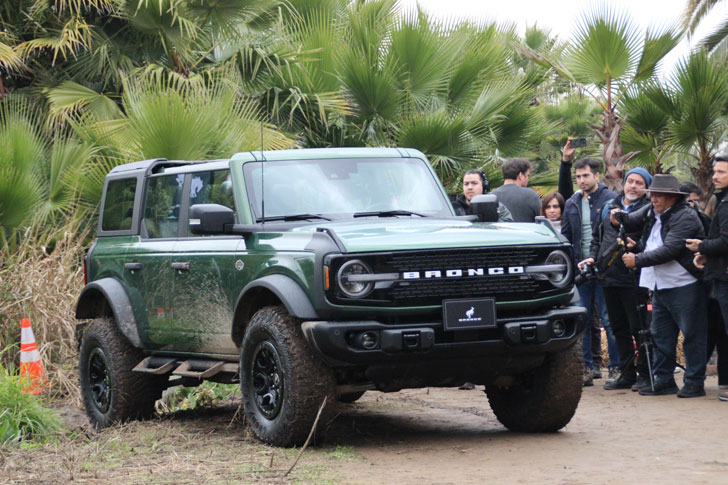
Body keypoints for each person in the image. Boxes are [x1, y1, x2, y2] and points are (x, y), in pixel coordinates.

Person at [617, 174, 708, 397]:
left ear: (671, 198)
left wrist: (637, 259)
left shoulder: (685, 217)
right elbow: (630, 222)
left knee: (692, 335)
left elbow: (670, 250)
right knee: (661, 335)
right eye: (652, 195)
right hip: (661, 284)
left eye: (658, 195)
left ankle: (695, 382)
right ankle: (664, 379)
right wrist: (618, 218)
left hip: (685, 284)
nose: (654, 199)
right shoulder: (652, 212)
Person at [580, 168, 653, 391]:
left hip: (633, 278)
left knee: (638, 328)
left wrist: (637, 248)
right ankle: (627, 372)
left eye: (639, 182)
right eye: (630, 181)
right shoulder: (609, 206)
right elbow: (596, 237)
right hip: (608, 277)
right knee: (617, 327)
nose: (633, 186)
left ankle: (645, 373)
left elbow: (651, 242)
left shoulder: (648, 210)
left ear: (646, 187)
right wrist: (593, 257)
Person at [560, 145, 619, 386]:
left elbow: (614, 238)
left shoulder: (611, 200)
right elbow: (564, 235)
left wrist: (601, 261)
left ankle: (616, 367)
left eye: (586, 175)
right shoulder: (572, 202)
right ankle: (586, 368)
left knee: (609, 320)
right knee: (581, 322)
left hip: (605, 271)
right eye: (578, 177)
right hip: (580, 272)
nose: (582, 180)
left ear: (597, 175)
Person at [687, 155, 728, 401]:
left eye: (721, 172)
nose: (715, 176)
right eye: (715, 171)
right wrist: (707, 255)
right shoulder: (721, 200)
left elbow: (725, 241)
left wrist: (702, 246)